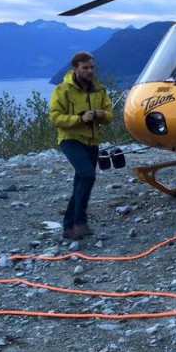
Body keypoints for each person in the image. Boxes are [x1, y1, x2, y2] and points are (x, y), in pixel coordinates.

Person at [49, 51, 113, 240]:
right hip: (70, 139)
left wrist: (103, 116)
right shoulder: (63, 90)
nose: (90, 71)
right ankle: (80, 221)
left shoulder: (99, 90)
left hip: (91, 141)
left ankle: (69, 228)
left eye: (92, 67)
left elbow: (110, 114)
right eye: (85, 67)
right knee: (87, 175)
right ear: (75, 69)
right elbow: (55, 117)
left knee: (81, 181)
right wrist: (80, 119)